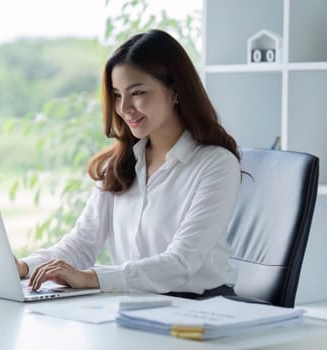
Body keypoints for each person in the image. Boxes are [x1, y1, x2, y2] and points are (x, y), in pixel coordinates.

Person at [15, 29, 241, 299]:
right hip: (134, 303)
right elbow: (82, 243)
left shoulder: (216, 165)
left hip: (200, 309)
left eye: (137, 93)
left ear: (175, 90)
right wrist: (24, 266)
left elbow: (181, 263)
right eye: (117, 95)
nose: (124, 108)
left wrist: (91, 278)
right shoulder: (120, 164)